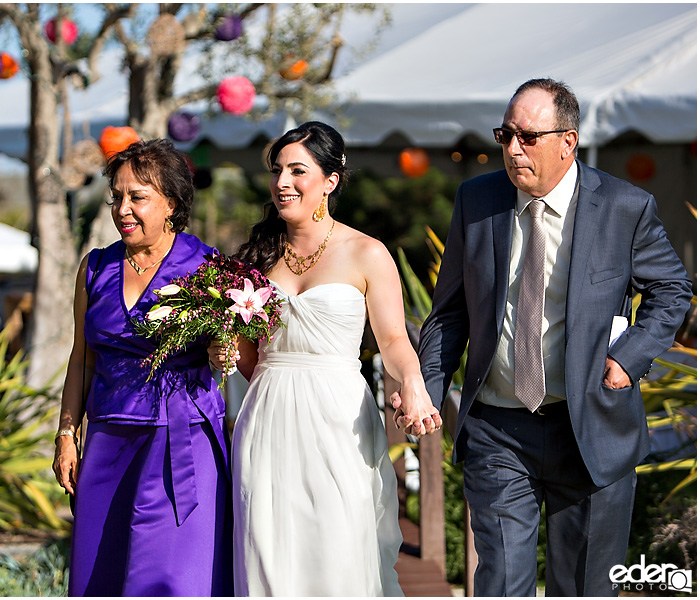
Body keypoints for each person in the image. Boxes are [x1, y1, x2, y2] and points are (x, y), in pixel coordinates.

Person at [400, 78, 693, 596]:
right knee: (500, 581)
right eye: (506, 134)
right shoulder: (477, 200)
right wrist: (424, 384)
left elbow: (672, 290)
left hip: (591, 428)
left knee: (580, 586)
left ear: (568, 141)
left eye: (528, 137)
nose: (513, 149)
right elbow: (448, 312)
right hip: (498, 429)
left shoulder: (626, 207)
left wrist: (628, 358)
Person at [211, 121, 441, 596]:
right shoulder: (254, 259)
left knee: (338, 550)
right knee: (266, 553)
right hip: (267, 419)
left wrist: (413, 383)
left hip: (339, 421)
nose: (282, 182)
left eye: (298, 171)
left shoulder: (366, 252)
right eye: (277, 171)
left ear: (330, 181)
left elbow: (394, 338)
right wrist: (224, 349)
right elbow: (251, 359)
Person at [52, 139, 233, 597]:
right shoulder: (95, 267)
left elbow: (227, 348)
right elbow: (82, 358)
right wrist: (66, 436)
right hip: (109, 441)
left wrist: (223, 351)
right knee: (102, 572)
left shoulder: (206, 266)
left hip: (180, 441)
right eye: (117, 196)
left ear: (171, 203)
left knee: (170, 577)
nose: (123, 209)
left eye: (138, 197)